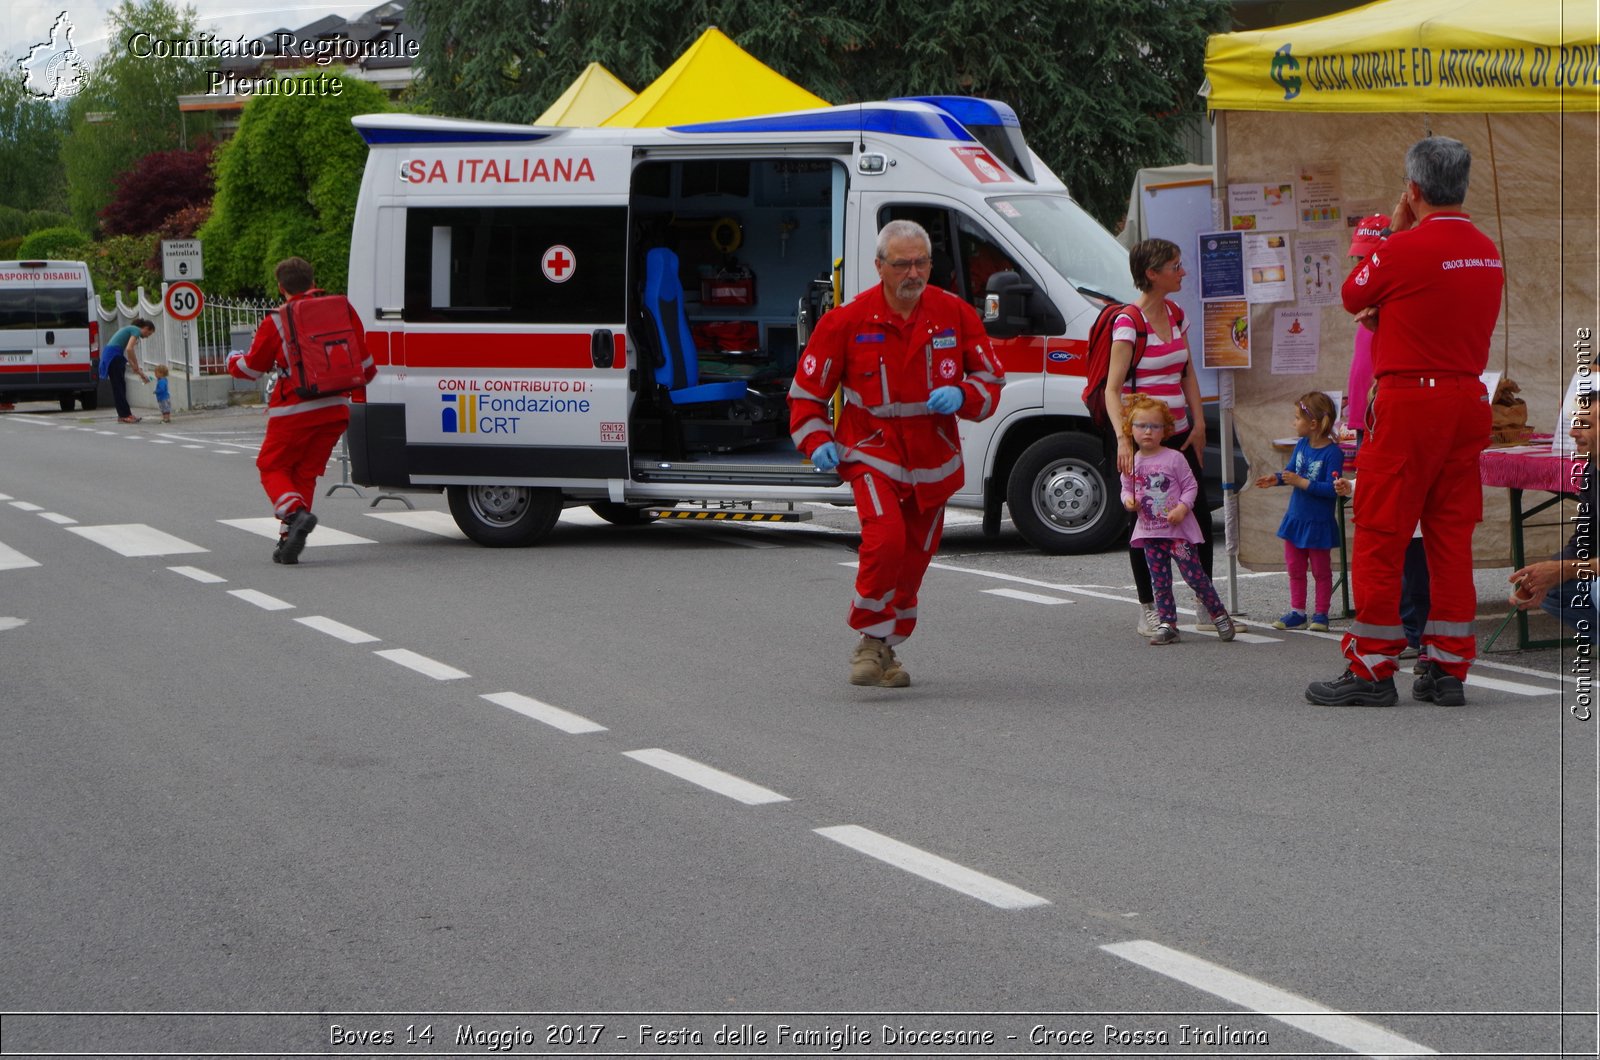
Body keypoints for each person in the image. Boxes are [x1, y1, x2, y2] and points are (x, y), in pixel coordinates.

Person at [1307, 136, 1504, 708]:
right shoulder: (1486, 249)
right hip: (1468, 398)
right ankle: (1446, 669)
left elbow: (1351, 293)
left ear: (1412, 190)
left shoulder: (1401, 250)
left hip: (1411, 400)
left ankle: (1371, 668)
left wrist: (1394, 232)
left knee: (1380, 533)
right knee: (1450, 537)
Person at [788, 219, 1004, 686]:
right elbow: (806, 394)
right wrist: (818, 440)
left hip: (933, 459)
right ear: (879, 267)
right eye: (902, 264)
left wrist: (964, 395)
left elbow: (990, 383)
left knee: (913, 561)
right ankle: (868, 638)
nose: (913, 273)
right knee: (885, 539)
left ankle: (886, 648)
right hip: (872, 452)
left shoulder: (954, 314)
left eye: (921, 262)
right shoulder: (845, 321)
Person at [1104, 238, 1244, 637]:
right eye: (1175, 266)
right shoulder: (1129, 322)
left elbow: (1186, 373)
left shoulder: (1177, 312)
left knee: (1197, 514)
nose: (1182, 272)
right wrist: (1123, 439)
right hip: (1143, 438)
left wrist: (1199, 423)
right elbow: (1111, 389)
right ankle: (1149, 607)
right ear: (1152, 274)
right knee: (1144, 521)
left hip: (1180, 432)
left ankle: (1203, 598)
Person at [227, 257, 373, 565]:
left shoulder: (278, 320)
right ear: (312, 280)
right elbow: (367, 367)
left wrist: (232, 361)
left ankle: (294, 515)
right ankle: (288, 539)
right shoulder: (342, 309)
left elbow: (252, 369)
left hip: (293, 409)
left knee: (272, 466)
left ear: (281, 287)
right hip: (336, 409)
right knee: (304, 473)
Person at [1119, 393, 1235, 645]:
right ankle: (1168, 623)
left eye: (1155, 426)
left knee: (1195, 576)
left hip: (1177, 533)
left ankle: (1218, 614)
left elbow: (1191, 486)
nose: (1148, 431)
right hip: (1150, 533)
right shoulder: (1132, 461)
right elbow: (1126, 488)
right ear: (1130, 429)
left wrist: (1183, 508)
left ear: (1165, 430)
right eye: (1141, 425)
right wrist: (1128, 501)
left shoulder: (1174, 458)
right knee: (1159, 581)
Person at [1509, 401, 1598, 641]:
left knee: (1596, 590)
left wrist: (1564, 569)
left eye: (1584, 425)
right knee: (1551, 589)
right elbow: (1583, 541)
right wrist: (1539, 576)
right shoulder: (1592, 471)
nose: (1572, 433)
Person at [1255, 392, 1344, 633]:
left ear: (1313, 423)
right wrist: (1275, 479)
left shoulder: (1333, 453)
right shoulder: (1302, 444)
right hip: (1296, 519)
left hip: (1318, 522)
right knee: (1295, 568)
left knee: (1321, 571)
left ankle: (1321, 614)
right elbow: (1290, 471)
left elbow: (1332, 489)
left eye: (1297, 418)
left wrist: (1301, 482)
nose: (1293, 423)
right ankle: (1298, 612)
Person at [102, 317, 154, 423]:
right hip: (114, 357)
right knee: (119, 388)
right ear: (146, 328)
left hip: (113, 356)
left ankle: (125, 414)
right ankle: (124, 415)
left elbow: (129, 355)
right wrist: (136, 366)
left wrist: (138, 370)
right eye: (149, 333)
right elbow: (129, 349)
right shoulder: (136, 330)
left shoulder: (130, 329)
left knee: (120, 387)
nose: (147, 337)